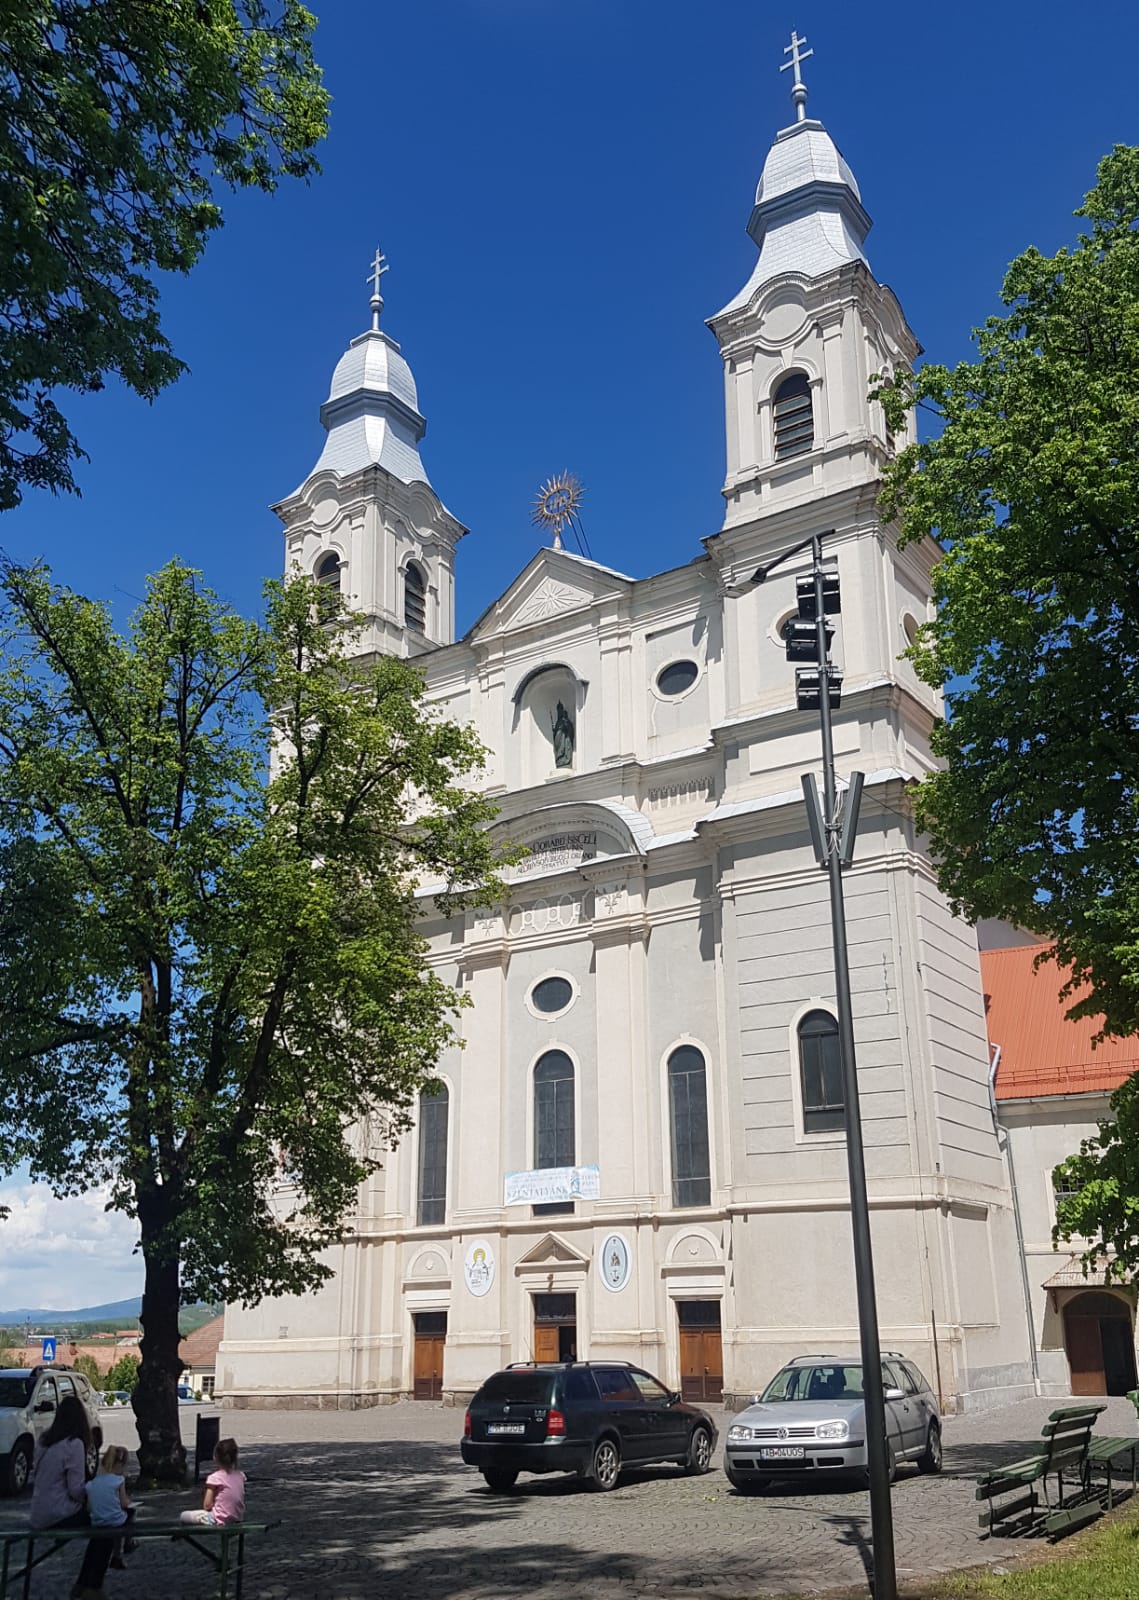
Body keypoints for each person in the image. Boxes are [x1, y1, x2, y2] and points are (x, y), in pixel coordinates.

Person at [28, 1394, 109, 1599]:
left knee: (102, 1523)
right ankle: (90, 1585)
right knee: (107, 1524)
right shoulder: (74, 1444)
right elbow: (76, 1491)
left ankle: (85, 1585)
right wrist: (95, 1492)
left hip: (38, 1512)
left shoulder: (44, 1440)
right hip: (59, 1513)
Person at [86, 1445, 137, 1574]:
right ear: (120, 1465)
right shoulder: (118, 1480)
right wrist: (129, 1502)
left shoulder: (93, 1483)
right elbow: (124, 1503)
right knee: (130, 1513)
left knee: (117, 1520)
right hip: (114, 1520)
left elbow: (89, 1507)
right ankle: (128, 1542)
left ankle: (117, 1557)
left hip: (97, 1521)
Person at [180, 1437, 245, 1527]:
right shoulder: (240, 1476)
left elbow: (207, 1505)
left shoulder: (214, 1478)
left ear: (215, 1457)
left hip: (217, 1519)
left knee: (183, 1516)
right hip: (237, 1518)